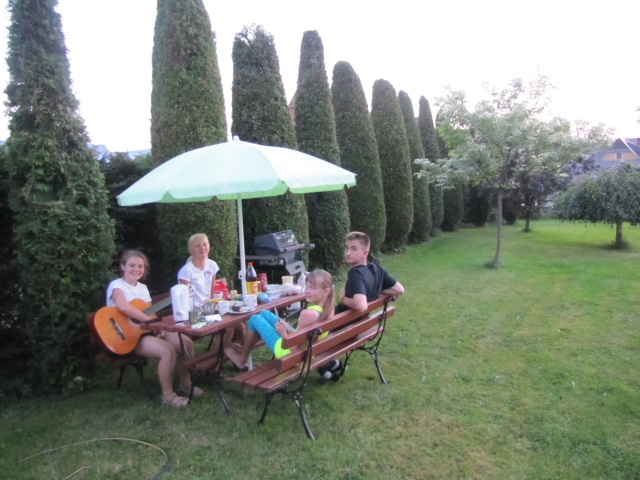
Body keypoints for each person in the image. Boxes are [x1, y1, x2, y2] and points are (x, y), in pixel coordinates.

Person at [106, 249, 203, 408]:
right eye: (132, 265)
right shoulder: (116, 285)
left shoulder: (143, 288)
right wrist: (150, 322)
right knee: (167, 351)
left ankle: (185, 383)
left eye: (140, 266)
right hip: (127, 337)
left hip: (144, 331)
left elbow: (149, 312)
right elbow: (124, 307)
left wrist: (158, 328)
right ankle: (168, 396)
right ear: (123, 266)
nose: (136, 269)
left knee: (186, 343)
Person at [319, 231, 405, 380]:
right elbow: (399, 290)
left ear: (365, 253)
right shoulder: (376, 268)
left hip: (342, 327)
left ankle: (324, 365)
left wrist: (343, 298)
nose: (348, 253)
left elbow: (361, 305)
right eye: (346, 248)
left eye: (353, 249)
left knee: (306, 326)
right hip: (358, 325)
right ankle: (330, 365)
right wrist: (376, 290)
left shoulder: (356, 274)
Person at [224, 269, 335, 370]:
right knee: (265, 313)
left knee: (254, 319)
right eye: (307, 286)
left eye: (313, 287)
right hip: (306, 352)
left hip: (291, 355)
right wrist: (287, 328)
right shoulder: (328, 309)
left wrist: (284, 334)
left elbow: (293, 348)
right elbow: (304, 336)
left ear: (326, 291)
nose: (307, 290)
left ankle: (241, 359)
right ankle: (244, 350)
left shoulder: (308, 314)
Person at [178, 233, 245, 345]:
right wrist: (202, 310)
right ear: (190, 250)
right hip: (195, 314)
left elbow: (212, 292)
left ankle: (233, 352)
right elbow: (184, 300)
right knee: (229, 327)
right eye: (197, 246)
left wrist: (215, 307)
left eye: (204, 244)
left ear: (209, 246)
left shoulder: (212, 265)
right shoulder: (186, 271)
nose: (202, 248)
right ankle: (219, 355)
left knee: (239, 326)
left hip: (210, 309)